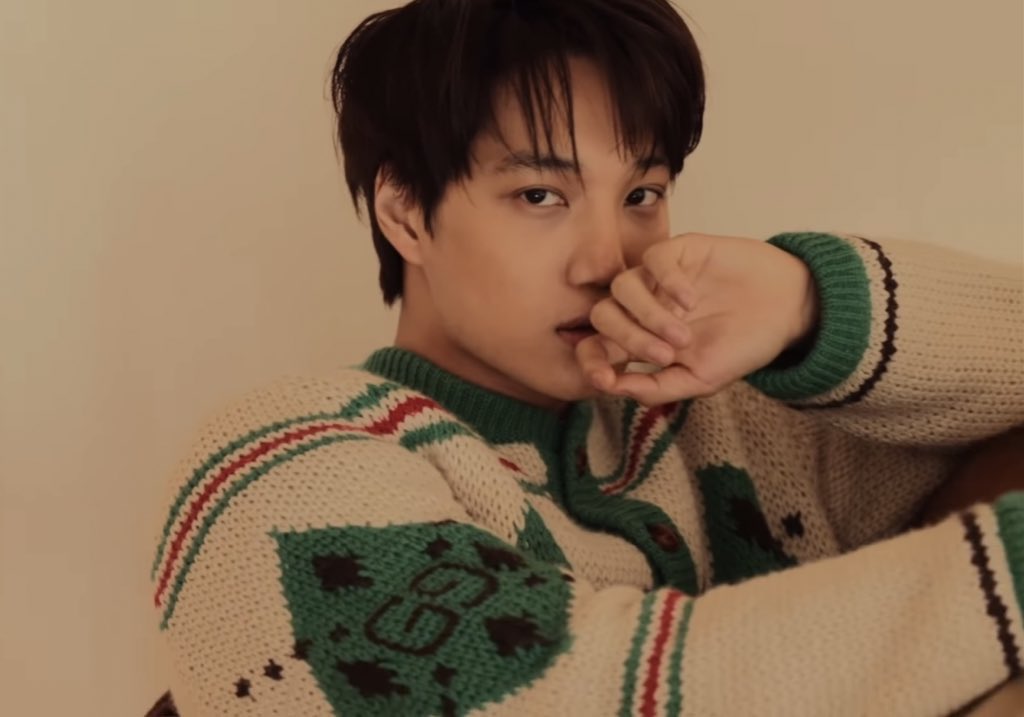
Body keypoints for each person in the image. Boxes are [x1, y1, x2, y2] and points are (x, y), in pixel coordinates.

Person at [149, 0, 1024, 714]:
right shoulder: (281, 462)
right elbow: (565, 692)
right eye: (540, 194)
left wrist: (808, 303)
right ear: (405, 211)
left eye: (642, 193)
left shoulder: (723, 419)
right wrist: (1004, 575)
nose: (608, 260)